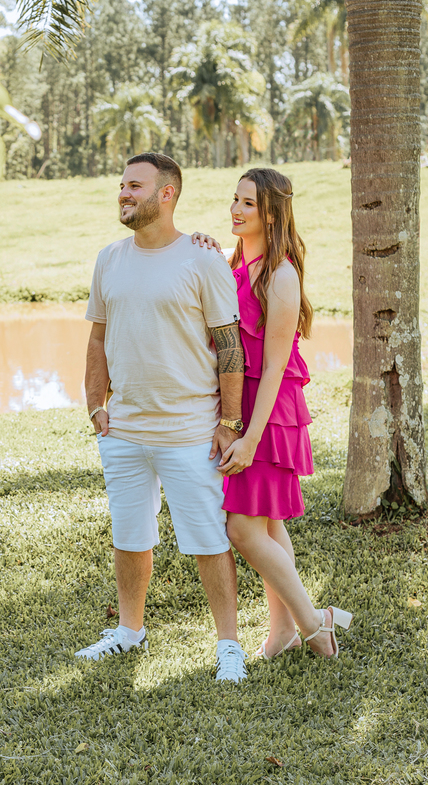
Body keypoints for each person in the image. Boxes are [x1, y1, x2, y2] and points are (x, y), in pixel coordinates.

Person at [76, 152, 251, 682]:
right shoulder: (109, 258)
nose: (124, 193)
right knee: (130, 535)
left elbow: (230, 349)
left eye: (135, 185)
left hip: (190, 431)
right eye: (122, 185)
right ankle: (129, 632)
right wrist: (94, 403)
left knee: (207, 539)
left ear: (167, 193)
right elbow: (98, 335)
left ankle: (229, 647)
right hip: (125, 430)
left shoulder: (203, 261)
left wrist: (231, 422)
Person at [208, 168, 353, 659]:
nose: (236, 209)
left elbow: (273, 365)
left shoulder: (281, 274)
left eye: (248, 203)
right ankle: (283, 632)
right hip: (242, 406)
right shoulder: (235, 265)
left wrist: (248, 437)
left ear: (271, 212)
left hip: (268, 412)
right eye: (234, 200)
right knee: (269, 526)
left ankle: (315, 626)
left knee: (242, 530)